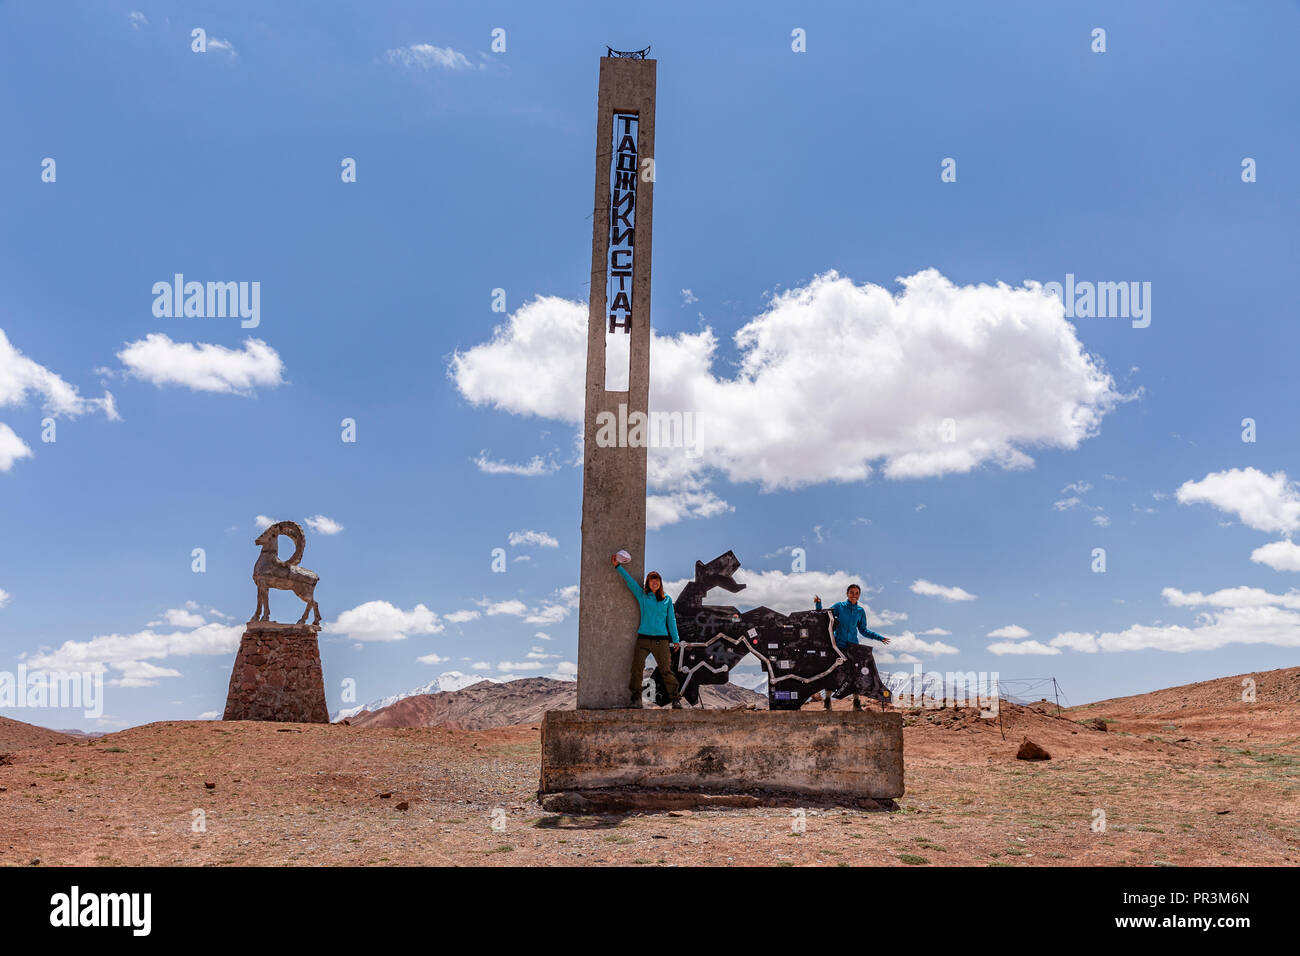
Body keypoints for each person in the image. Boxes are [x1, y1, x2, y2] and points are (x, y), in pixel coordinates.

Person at [612, 553, 684, 709]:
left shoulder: (667, 600)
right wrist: (618, 566)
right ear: (648, 583)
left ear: (660, 583)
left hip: (662, 641)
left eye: (657, 580)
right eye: (652, 580)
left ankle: (675, 699)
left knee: (666, 670)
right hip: (643, 639)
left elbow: (671, 620)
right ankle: (636, 699)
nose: (655, 583)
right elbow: (630, 582)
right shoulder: (643, 596)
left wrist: (676, 639)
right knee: (637, 668)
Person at [814, 584, 891, 711]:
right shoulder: (839, 606)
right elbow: (825, 617)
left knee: (856, 675)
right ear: (847, 594)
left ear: (859, 595)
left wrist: (879, 637)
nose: (854, 595)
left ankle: (856, 703)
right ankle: (827, 702)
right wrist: (818, 605)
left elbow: (863, 630)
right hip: (837, 646)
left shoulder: (860, 611)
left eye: (856, 593)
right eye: (851, 592)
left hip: (853, 647)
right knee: (833, 673)